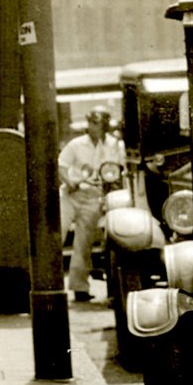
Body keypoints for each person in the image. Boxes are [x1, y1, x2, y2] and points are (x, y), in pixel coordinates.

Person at [58, 109, 127, 303]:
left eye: (98, 123)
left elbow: (120, 169)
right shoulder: (76, 144)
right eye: (92, 122)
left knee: (84, 243)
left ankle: (80, 288)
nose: (94, 127)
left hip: (94, 197)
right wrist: (70, 182)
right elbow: (61, 165)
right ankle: (48, 283)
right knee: (57, 235)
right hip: (71, 195)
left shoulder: (115, 145)